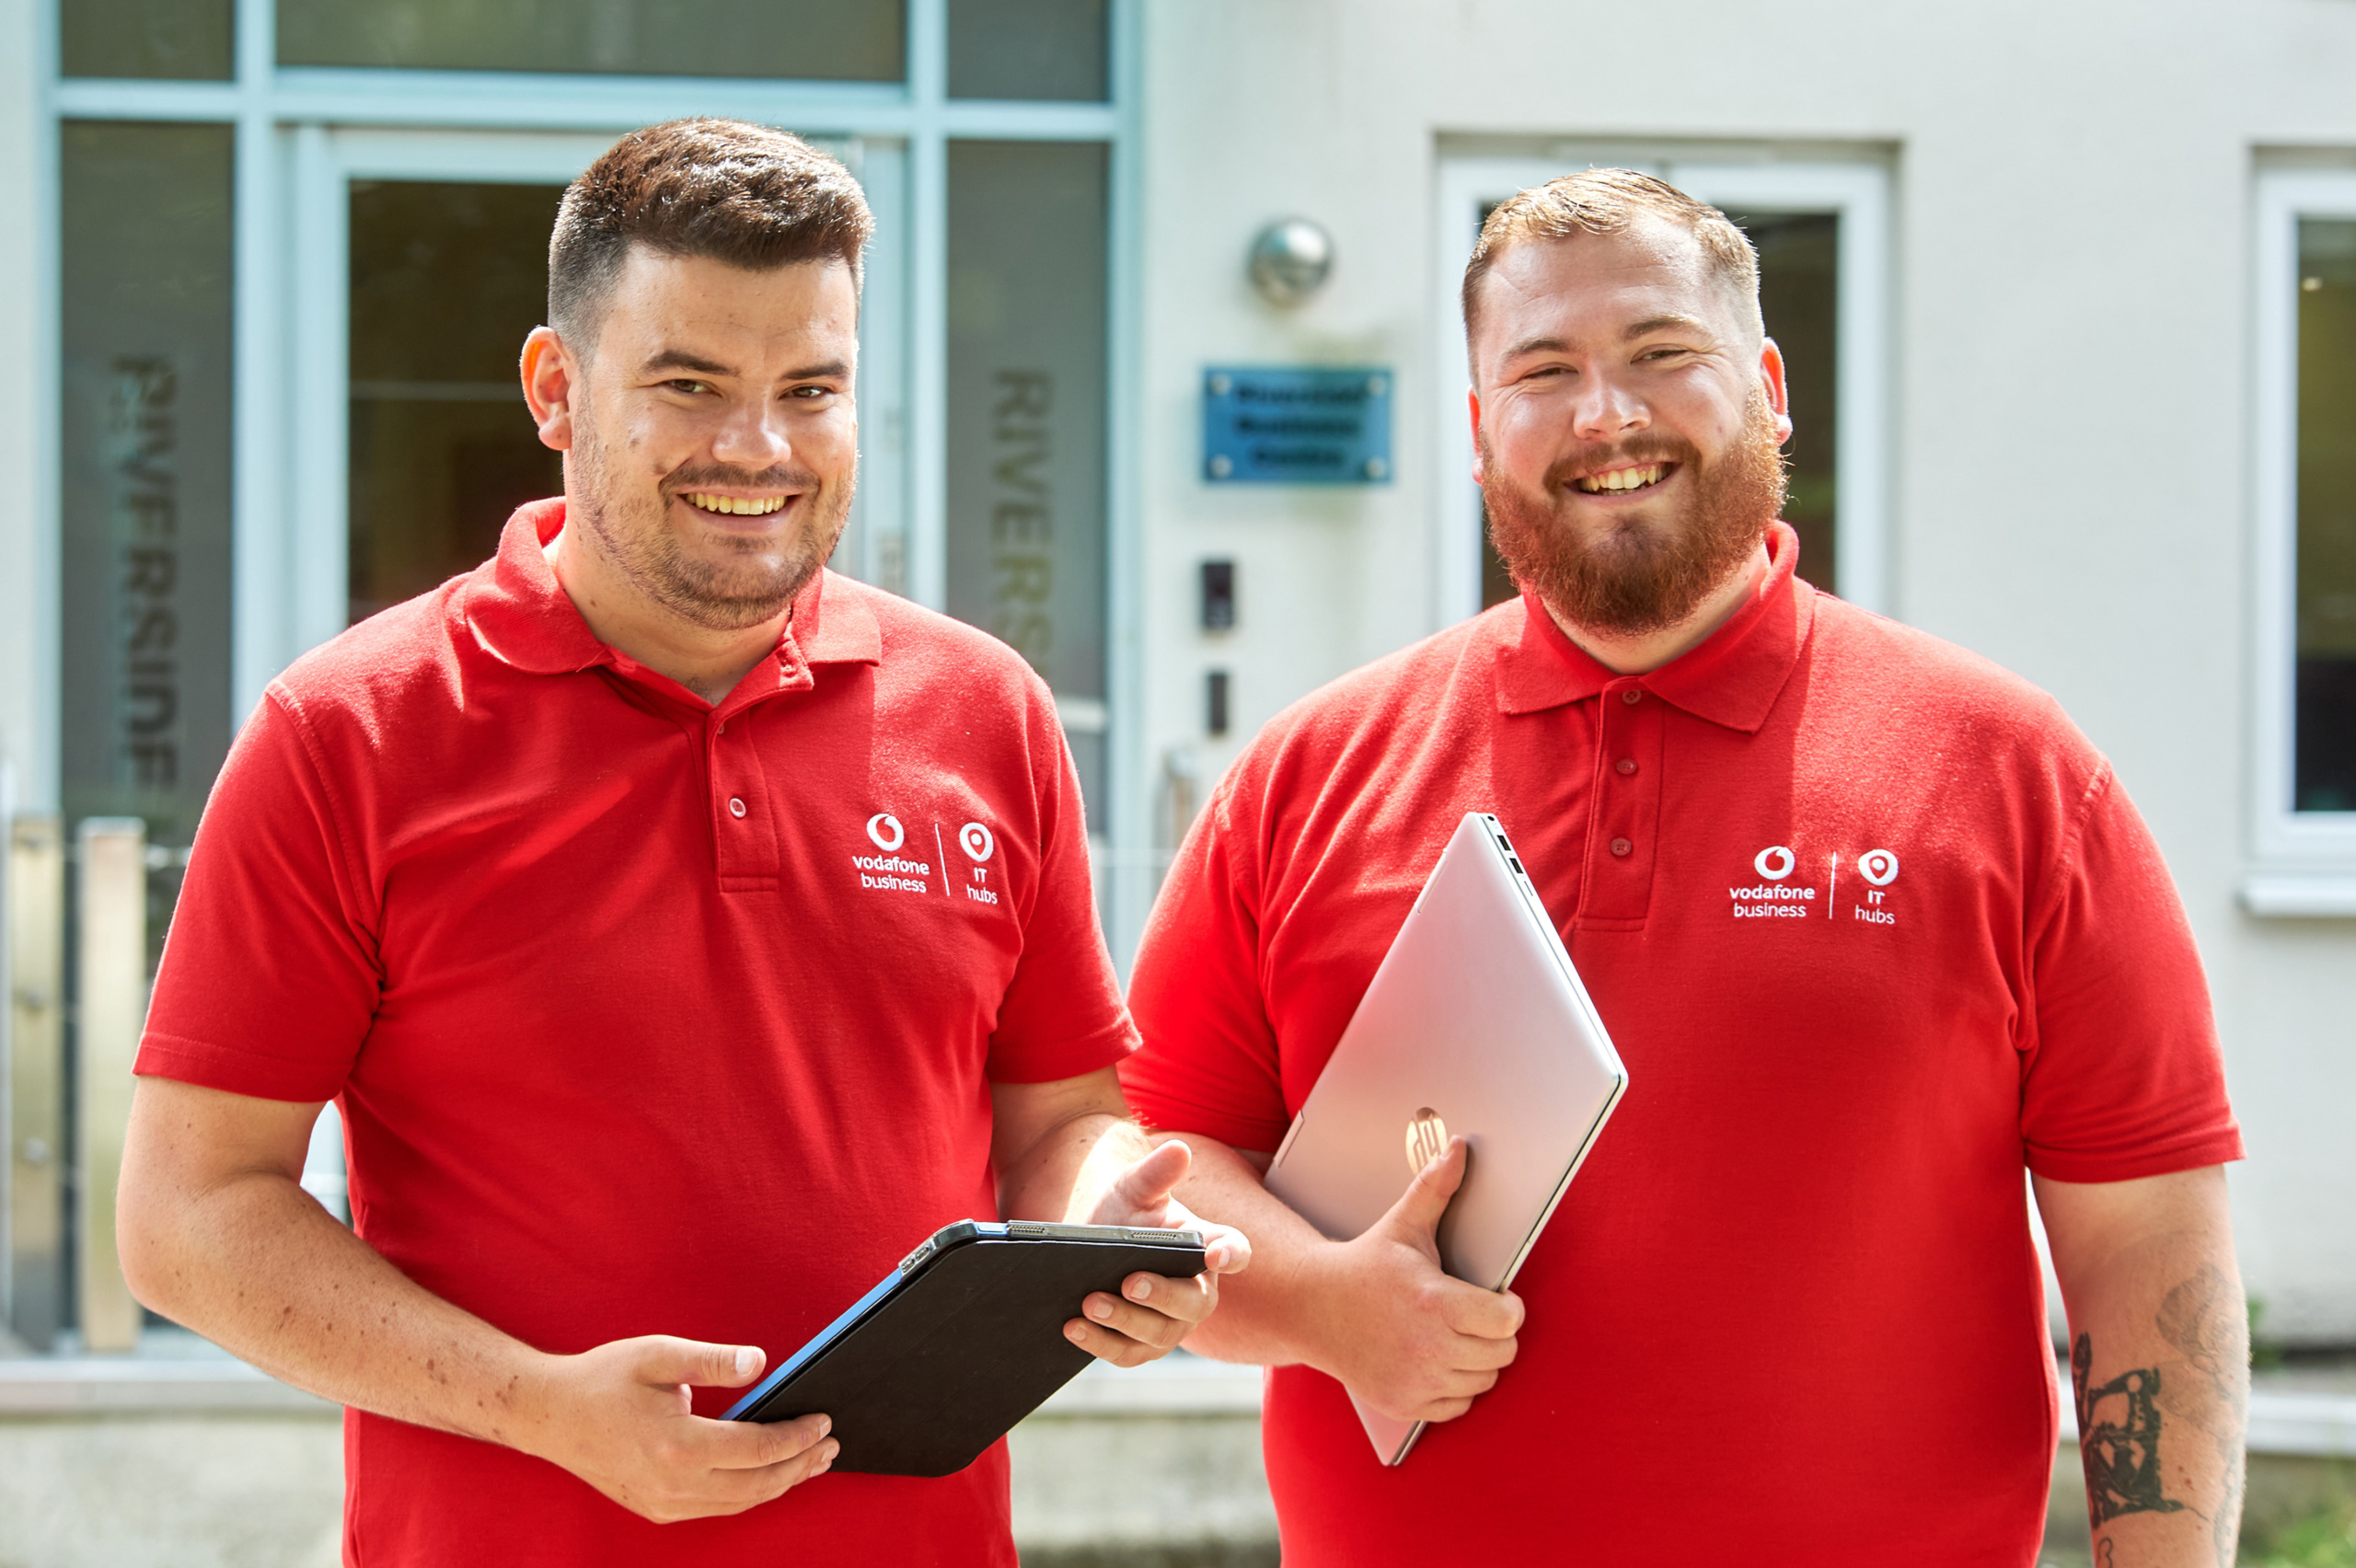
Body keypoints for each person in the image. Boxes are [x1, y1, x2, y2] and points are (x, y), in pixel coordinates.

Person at [116, 119, 1244, 1567]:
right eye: (690, 385)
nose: (757, 448)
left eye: (811, 389)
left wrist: (1102, 1231)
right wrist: (538, 1408)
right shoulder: (353, 734)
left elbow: (1058, 1125)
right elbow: (186, 1214)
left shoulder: (986, 713)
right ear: (556, 389)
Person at [1119, 169, 2247, 1567]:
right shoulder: (1308, 779)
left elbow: (2146, 1239)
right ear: (1478, 435)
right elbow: (1152, 1169)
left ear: (1769, 388)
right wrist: (1324, 1304)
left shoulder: (2009, 772)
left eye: (1662, 354)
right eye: (1545, 372)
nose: (1607, 413)